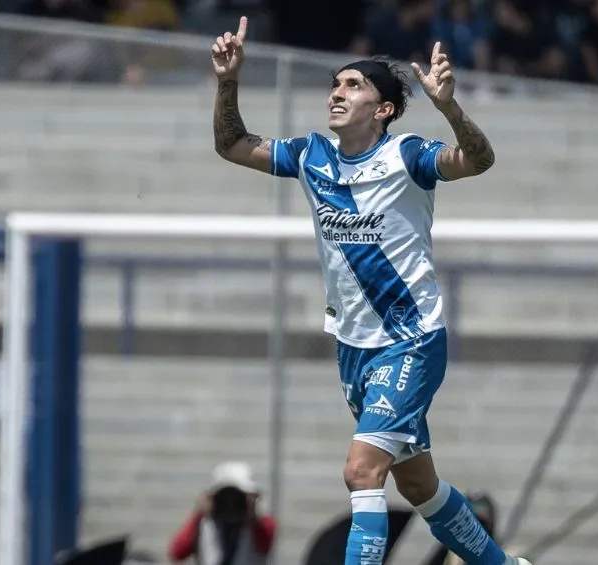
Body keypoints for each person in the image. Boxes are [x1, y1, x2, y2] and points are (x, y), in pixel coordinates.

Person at [210, 16, 530, 565]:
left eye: (353, 85)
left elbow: (478, 160)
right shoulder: (312, 156)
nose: (338, 91)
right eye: (335, 83)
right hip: (353, 346)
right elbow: (233, 144)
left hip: (411, 340)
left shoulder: (407, 157)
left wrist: (449, 108)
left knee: (361, 471)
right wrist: (228, 79)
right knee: (419, 487)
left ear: (383, 110)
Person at [167, 462, 276, 565]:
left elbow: (265, 545)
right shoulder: (203, 522)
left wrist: (252, 514)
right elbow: (177, 554)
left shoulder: (261, 523)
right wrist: (198, 514)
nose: (231, 502)